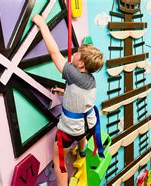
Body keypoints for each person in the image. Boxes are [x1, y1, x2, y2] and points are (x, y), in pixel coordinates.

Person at [33, 15, 105, 186]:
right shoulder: (89, 79)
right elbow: (81, 97)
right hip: (88, 125)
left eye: (78, 55)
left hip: (70, 130)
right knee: (81, 135)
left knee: (59, 160)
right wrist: (66, 92)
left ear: (80, 65)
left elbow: (54, 53)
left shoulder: (73, 74)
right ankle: (82, 151)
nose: (75, 54)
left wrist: (43, 25)